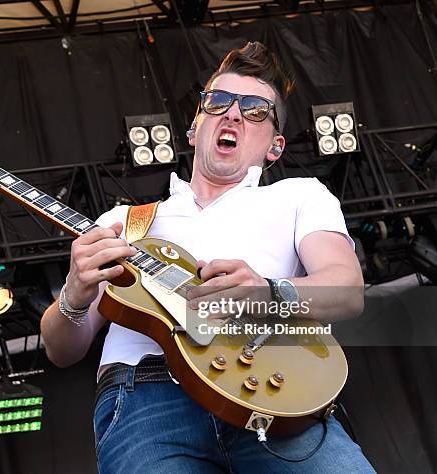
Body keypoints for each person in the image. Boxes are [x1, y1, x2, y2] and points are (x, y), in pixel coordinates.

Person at [41, 41, 374, 473]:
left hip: (276, 396)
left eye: (254, 109)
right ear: (194, 129)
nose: (233, 113)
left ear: (275, 146)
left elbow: (348, 290)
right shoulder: (126, 221)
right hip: (148, 399)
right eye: (218, 101)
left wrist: (267, 293)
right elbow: (61, 349)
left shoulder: (300, 195)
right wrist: (73, 294)